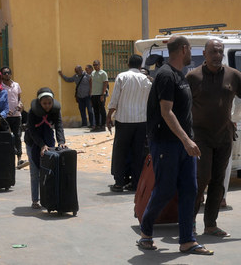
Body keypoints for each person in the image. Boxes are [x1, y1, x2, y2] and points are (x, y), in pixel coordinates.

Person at [186, 39, 241, 238]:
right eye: (213, 52)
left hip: (224, 136)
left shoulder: (234, 76)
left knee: (218, 181)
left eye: (220, 51)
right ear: (205, 54)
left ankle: (210, 225)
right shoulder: (193, 77)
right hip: (200, 137)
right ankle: (189, 223)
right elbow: (181, 106)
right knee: (202, 178)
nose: (217, 55)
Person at [137, 35, 212, 255]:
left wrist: (189, 139)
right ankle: (146, 233)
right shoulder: (166, 76)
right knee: (165, 189)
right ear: (183, 49)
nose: (191, 54)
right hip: (166, 144)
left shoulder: (180, 76)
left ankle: (187, 240)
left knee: (190, 189)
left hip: (183, 143)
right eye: (190, 50)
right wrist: (186, 139)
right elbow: (166, 111)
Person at [106, 55, 151, 192]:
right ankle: (135, 183)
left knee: (121, 152)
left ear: (128, 64)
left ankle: (119, 183)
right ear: (140, 65)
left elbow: (114, 100)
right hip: (141, 121)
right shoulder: (146, 80)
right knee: (138, 153)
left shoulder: (122, 77)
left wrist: (109, 117)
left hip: (124, 121)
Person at [24, 87, 66, 209]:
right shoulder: (32, 112)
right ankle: (35, 200)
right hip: (33, 142)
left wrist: (61, 141)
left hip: (48, 140)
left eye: (49, 103)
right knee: (35, 172)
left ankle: (47, 198)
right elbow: (32, 131)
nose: (47, 106)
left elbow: (59, 125)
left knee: (48, 171)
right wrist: (41, 145)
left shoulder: (55, 110)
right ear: (39, 103)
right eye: (44, 103)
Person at [1, 66, 25, 167]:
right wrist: (5, 110)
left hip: (16, 115)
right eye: (5, 73)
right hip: (5, 116)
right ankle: (7, 160)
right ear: (2, 74)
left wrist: (20, 105)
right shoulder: (0, 87)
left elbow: (19, 98)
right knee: (6, 137)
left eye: (8, 72)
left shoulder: (16, 85)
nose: (7, 74)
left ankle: (19, 159)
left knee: (17, 136)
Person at [90, 60, 109, 132]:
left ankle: (103, 125)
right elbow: (91, 82)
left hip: (100, 94)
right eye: (94, 65)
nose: (95, 66)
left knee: (102, 110)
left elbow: (105, 83)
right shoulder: (93, 73)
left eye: (96, 64)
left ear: (99, 65)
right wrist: (91, 93)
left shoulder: (103, 73)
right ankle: (97, 125)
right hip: (94, 94)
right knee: (95, 110)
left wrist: (102, 94)